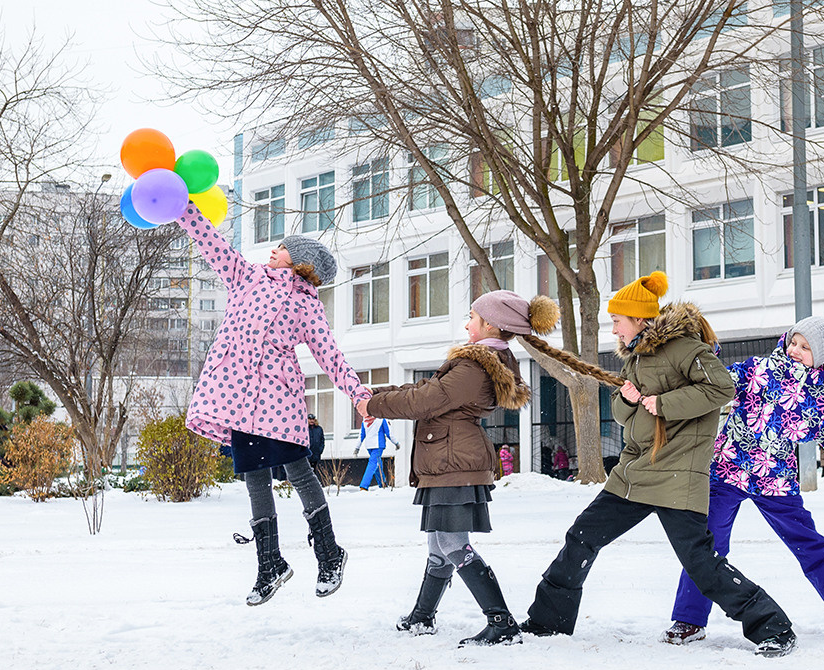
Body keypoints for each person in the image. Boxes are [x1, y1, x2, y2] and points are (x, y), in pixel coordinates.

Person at [517, 271, 798, 657]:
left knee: (700, 562)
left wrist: (663, 403)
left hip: (676, 474)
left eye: (618, 319)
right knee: (582, 537)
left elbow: (721, 389)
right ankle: (547, 623)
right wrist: (630, 400)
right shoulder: (635, 357)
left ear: (639, 319)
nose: (613, 327)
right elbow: (622, 415)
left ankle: (772, 626)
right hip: (634, 474)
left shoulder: (686, 349)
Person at [177, 203, 368, 605]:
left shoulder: (307, 304)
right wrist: (183, 208)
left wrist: (359, 395)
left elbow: (329, 354)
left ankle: (330, 553)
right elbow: (211, 243)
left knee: (299, 473)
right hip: (239, 401)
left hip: (278, 400)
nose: (273, 251)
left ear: (298, 262)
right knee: (253, 479)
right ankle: (270, 565)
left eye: (281, 248)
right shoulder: (246, 278)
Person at [661, 317, 824, 647]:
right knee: (706, 545)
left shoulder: (819, 402)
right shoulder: (758, 370)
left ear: (822, 357)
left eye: (806, 347)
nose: (796, 350)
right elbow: (717, 383)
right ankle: (689, 620)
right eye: (794, 342)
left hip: (777, 482)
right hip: (727, 471)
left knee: (812, 547)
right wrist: (698, 354)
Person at [360, 290, 559, 646]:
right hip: (450, 458)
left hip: (454, 460)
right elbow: (428, 389)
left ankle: (501, 623)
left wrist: (375, 403)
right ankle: (422, 617)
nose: (467, 323)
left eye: (472, 317)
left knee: (452, 542)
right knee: (440, 543)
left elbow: (427, 400)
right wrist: (378, 393)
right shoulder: (481, 362)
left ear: (491, 325)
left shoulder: (474, 365)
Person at [353, 415, 399, 490]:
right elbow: (388, 433)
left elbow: (361, 436)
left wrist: (357, 448)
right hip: (378, 445)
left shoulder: (365, 420)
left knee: (378, 464)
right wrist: (396, 443)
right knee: (373, 464)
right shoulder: (381, 420)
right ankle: (364, 486)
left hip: (369, 446)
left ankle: (382, 483)